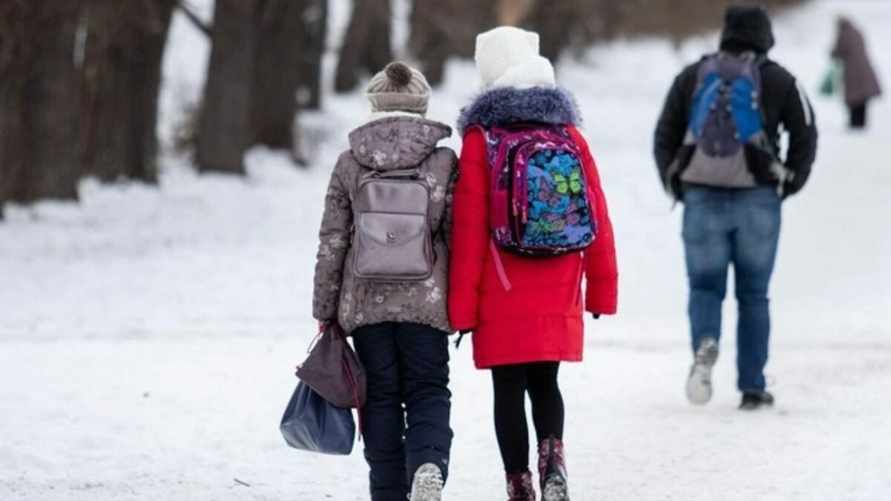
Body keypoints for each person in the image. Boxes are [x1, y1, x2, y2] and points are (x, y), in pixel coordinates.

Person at [449, 26, 618, 501]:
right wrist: (602, 289)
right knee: (546, 381)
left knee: (508, 387)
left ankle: (518, 482)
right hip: (562, 278)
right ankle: (554, 463)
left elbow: (466, 231)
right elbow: (598, 217)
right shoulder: (568, 134)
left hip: (502, 284)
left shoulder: (483, 139)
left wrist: (461, 310)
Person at [653, 6, 818, 410]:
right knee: (754, 295)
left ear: (726, 34)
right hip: (757, 198)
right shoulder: (780, 80)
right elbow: (806, 133)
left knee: (705, 287)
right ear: (765, 35)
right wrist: (788, 181)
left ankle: (705, 345)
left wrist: (675, 182)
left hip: (700, 195)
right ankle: (752, 385)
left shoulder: (693, 76)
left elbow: (665, 133)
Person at [312, 61, 457, 501]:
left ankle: (387, 493)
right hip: (426, 304)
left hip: (366, 302)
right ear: (423, 104)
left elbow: (333, 240)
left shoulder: (350, 162)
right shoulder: (443, 161)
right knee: (428, 389)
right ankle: (428, 464)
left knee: (380, 400)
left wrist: (325, 308)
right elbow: (457, 235)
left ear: (373, 105)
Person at [831, 16, 882, 129]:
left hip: (852, 71)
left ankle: (855, 123)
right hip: (865, 68)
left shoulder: (843, 34)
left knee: (853, 98)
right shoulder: (857, 32)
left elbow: (837, 51)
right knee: (862, 98)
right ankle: (861, 123)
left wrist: (833, 53)